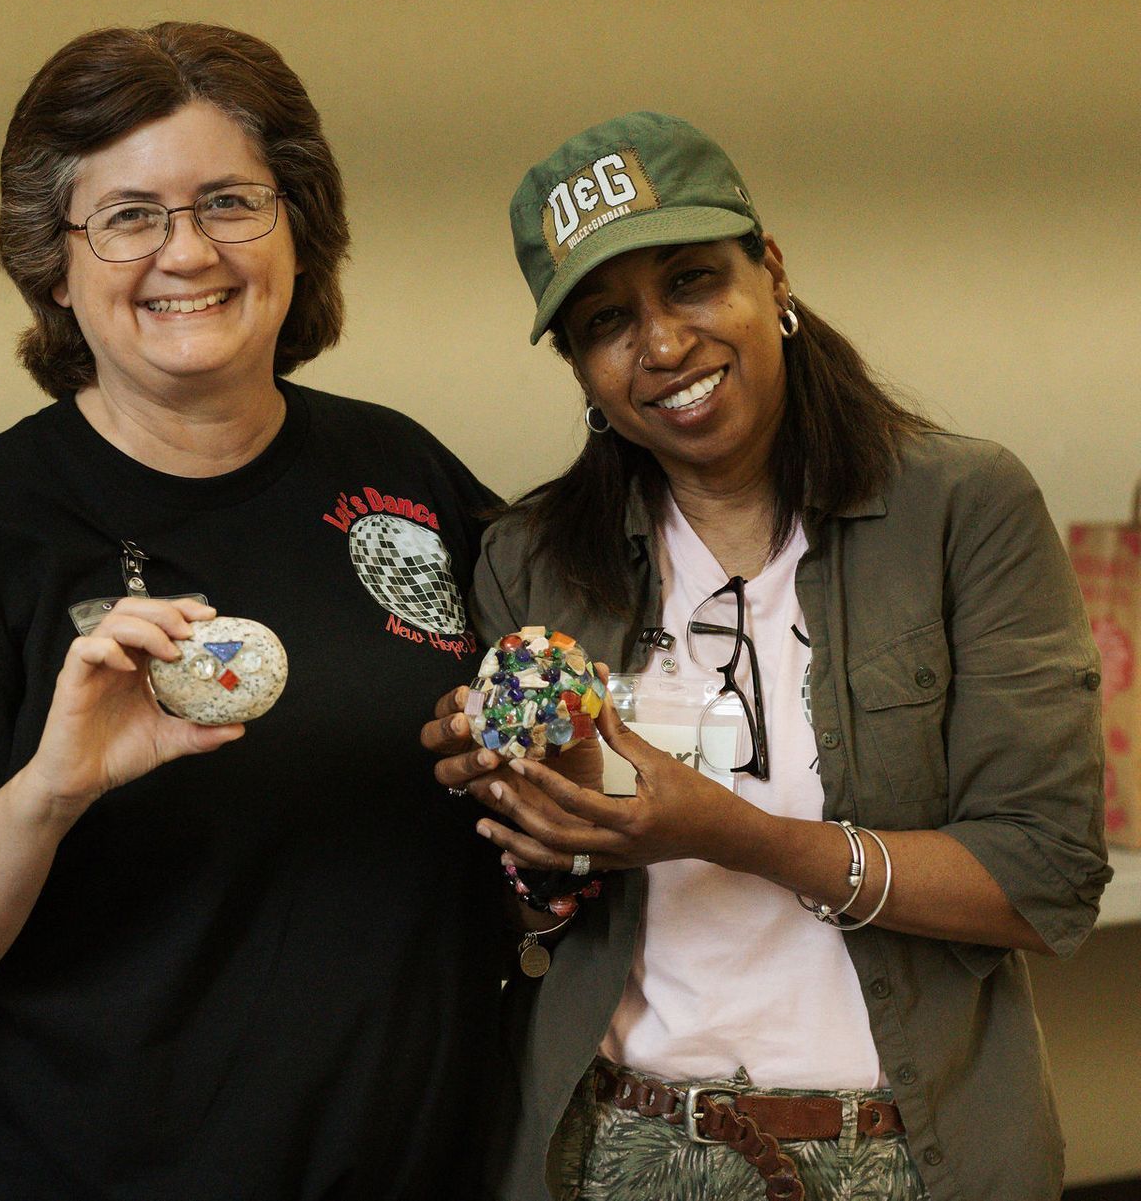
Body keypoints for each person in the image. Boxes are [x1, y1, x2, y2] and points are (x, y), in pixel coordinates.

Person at [0, 22, 507, 1199]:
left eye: (230, 202)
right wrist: (50, 792)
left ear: (299, 230)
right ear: (55, 264)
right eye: (129, 216)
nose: (187, 251)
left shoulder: (409, 475)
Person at [425, 111, 1111, 1201]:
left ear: (771, 274)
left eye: (693, 281)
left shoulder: (958, 510)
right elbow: (506, 913)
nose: (661, 345)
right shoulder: (532, 560)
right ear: (580, 367)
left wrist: (740, 837)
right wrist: (539, 849)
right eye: (607, 320)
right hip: (617, 1149)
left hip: (903, 1156)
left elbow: (1044, 881)